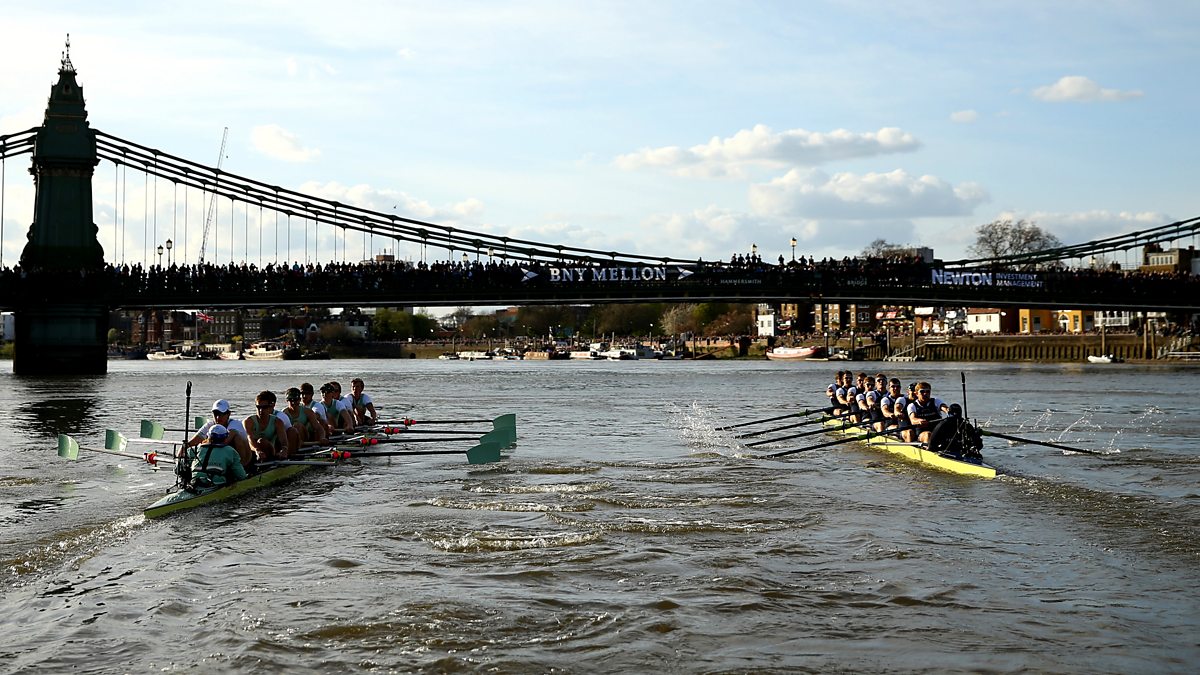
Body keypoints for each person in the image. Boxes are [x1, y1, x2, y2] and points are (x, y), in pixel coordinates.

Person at [177, 424, 248, 492]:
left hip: (194, 483)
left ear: (208, 436)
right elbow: (241, 475)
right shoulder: (230, 451)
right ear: (225, 437)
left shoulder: (195, 449)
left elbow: (177, 469)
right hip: (215, 485)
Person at [189, 399, 252, 467]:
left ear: (228, 414)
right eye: (216, 414)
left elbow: (223, 443)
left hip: (247, 460)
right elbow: (191, 442)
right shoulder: (210, 425)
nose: (218, 417)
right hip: (224, 456)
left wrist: (205, 442)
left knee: (236, 438)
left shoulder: (235, 424)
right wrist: (182, 452)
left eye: (222, 414)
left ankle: (241, 468)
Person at [244, 390, 290, 462]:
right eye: (258, 407)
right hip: (254, 451)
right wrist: (257, 451)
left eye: (264, 407)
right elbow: (250, 439)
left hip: (271, 450)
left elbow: (284, 441)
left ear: (270, 407)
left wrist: (284, 450)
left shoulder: (277, 422)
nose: (261, 410)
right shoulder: (248, 421)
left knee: (262, 441)